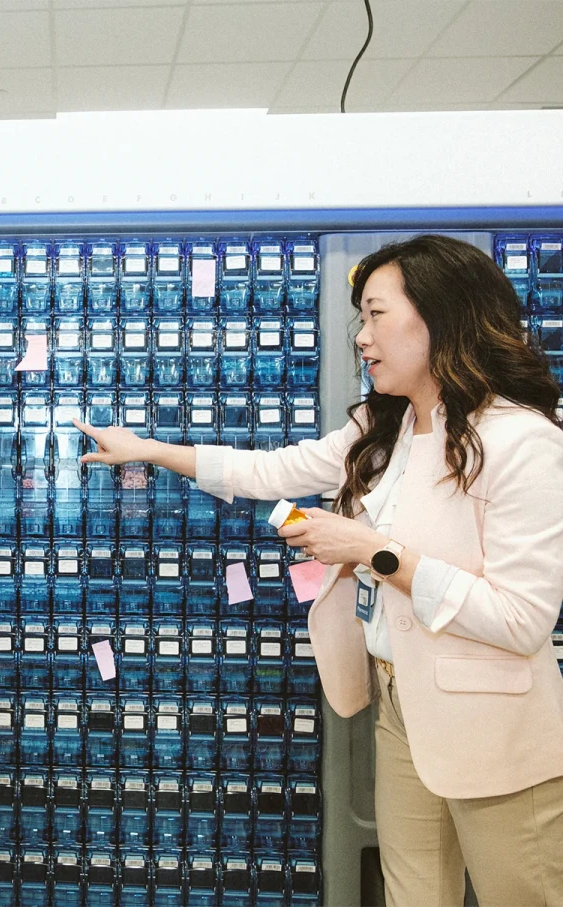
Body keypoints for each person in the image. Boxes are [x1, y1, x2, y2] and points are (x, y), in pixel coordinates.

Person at [76, 234, 563, 906]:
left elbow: (521, 618)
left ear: (442, 316)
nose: (362, 336)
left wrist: (369, 549)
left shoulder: (522, 441)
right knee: (415, 894)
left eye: (376, 314)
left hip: (494, 723)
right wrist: (150, 448)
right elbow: (268, 470)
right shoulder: (383, 430)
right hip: (400, 705)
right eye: (360, 318)